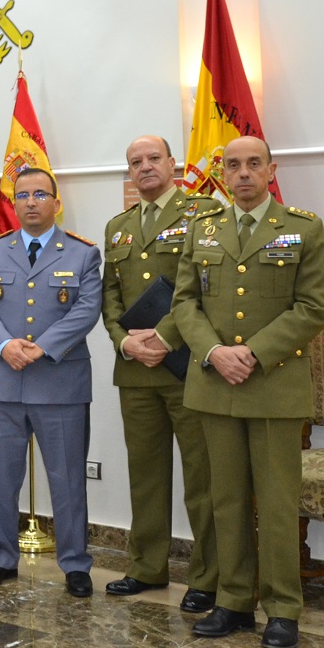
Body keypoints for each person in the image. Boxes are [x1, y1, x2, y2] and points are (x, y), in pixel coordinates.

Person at [172, 136, 324, 648]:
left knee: (279, 503)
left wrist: (253, 353)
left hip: (274, 386)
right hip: (215, 384)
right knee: (227, 499)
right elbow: (185, 303)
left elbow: (312, 307)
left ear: (270, 169)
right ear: (222, 173)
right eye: (233, 165)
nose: (243, 174)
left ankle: (282, 609)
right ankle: (234, 601)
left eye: (253, 164)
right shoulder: (204, 229)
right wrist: (215, 353)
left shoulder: (302, 228)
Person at [0, 167, 102, 597]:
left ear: (56, 203)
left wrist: (41, 346)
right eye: (22, 194)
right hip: (4, 382)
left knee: (66, 478)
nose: (30, 202)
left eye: (40, 194)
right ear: (13, 202)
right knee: (1, 479)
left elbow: (87, 309)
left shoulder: (82, 254)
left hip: (59, 383)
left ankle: (75, 563)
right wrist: (4, 344)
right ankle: (2, 557)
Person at [101, 135, 219, 612]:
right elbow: (110, 295)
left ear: (174, 163)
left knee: (202, 478)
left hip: (187, 367)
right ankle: (146, 567)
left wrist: (164, 337)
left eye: (154, 159)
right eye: (136, 162)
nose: (145, 167)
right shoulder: (119, 226)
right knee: (145, 476)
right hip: (136, 371)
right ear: (129, 172)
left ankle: (206, 577)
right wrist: (125, 340)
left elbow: (206, 289)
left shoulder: (204, 215)